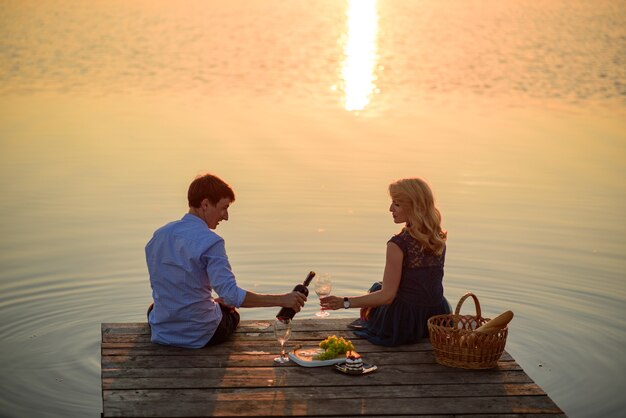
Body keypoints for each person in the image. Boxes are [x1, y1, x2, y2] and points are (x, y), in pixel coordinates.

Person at [146, 173, 307, 348]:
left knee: (154, 307)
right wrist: (283, 300)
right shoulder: (211, 242)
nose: (226, 216)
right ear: (205, 204)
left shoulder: (159, 235)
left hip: (163, 330)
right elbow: (230, 296)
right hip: (198, 335)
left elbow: (169, 283)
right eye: (223, 208)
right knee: (232, 313)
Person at [320, 177, 451, 346]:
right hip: (436, 318)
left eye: (396, 204)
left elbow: (387, 297)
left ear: (414, 207)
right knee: (380, 286)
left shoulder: (398, 244)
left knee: (379, 289)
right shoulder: (438, 238)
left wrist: (343, 302)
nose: (390, 209)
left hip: (405, 323)